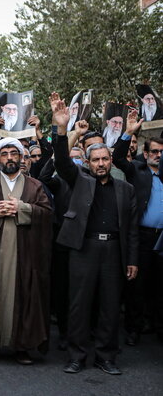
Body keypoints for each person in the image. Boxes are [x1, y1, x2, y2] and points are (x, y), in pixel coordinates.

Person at [51, 93, 138, 375]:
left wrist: (132, 260)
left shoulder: (126, 190)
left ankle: (106, 357)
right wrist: (61, 129)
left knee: (110, 307)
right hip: (83, 250)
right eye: (95, 160)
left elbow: (132, 229)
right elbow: (62, 161)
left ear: (111, 160)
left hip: (114, 252)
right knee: (79, 305)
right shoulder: (79, 181)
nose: (100, 163)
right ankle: (77, 356)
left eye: (105, 159)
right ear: (87, 163)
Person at [0, 137, 53, 365]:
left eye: (14, 153)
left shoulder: (34, 186)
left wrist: (22, 208)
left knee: (25, 296)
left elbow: (46, 214)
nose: (9, 158)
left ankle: (22, 347)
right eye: (4, 154)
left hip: (25, 255)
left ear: (21, 157)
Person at [111, 110, 163, 346]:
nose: (158, 156)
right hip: (141, 237)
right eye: (154, 152)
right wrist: (128, 133)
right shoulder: (138, 171)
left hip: (161, 238)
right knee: (137, 285)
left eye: (162, 153)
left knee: (158, 286)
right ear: (145, 153)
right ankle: (132, 328)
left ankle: (156, 325)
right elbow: (119, 158)